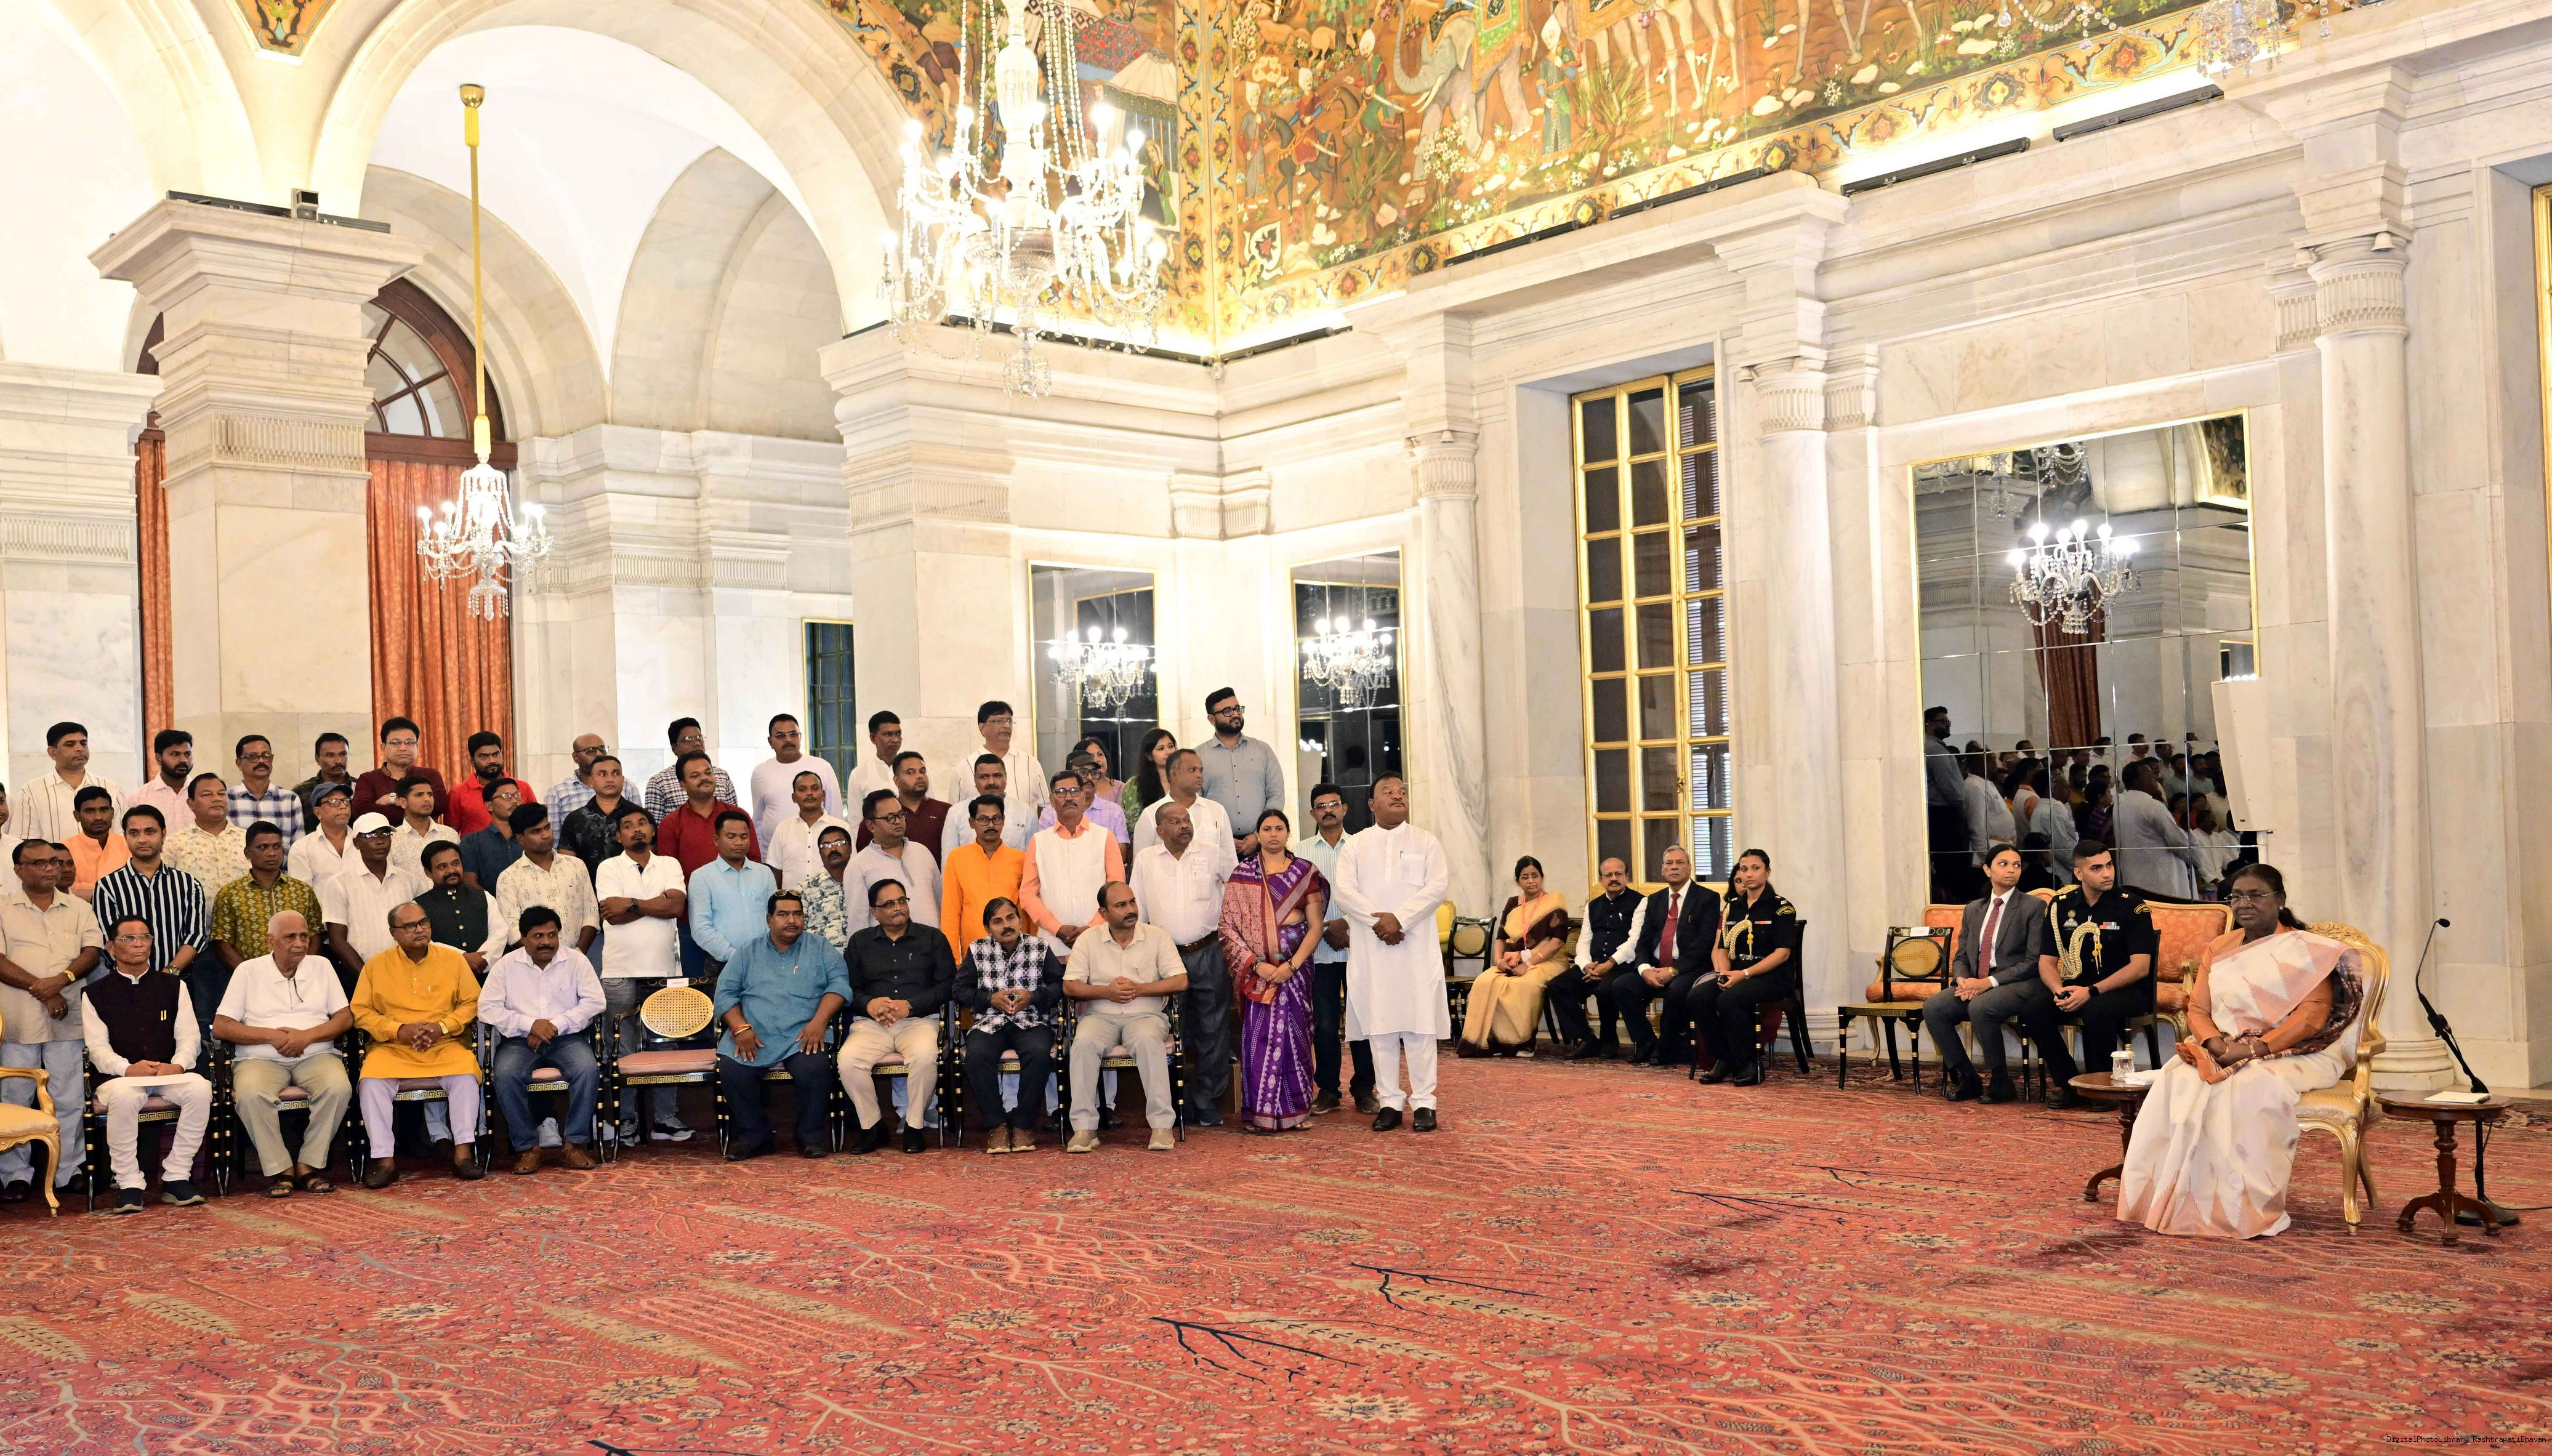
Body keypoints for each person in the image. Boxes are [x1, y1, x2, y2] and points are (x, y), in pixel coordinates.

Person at [2119, 864, 2365, 1238]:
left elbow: (2312, 1017)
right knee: (2178, 1079)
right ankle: (2180, 1199)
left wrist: (2257, 1048)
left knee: (2249, 1086)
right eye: (2236, 896)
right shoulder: (2219, 948)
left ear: (2280, 900)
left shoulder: (2308, 951)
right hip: (2224, 1046)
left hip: (2299, 1052)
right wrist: (2215, 1044)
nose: (2244, 904)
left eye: (2256, 895)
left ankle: (2244, 1208)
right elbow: (2198, 1009)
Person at [1332, 775, 1451, 1132]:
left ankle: (1425, 1103)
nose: (1398, 796)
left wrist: (1400, 919)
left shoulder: (1426, 841)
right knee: (1380, 1026)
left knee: (1420, 1026)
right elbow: (1344, 891)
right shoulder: (1356, 845)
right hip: (1374, 951)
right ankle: (1389, 1102)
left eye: (1402, 792)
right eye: (1388, 792)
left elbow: (1438, 887)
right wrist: (1379, 923)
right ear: (1371, 804)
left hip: (1416, 949)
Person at [212, 911, 353, 1197]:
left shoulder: (322, 966)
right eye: (290, 937)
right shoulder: (248, 971)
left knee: (338, 1088)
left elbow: (344, 1018)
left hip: (315, 1054)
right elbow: (222, 1026)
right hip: (259, 1058)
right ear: (270, 941)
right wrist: (273, 1036)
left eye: (304, 936)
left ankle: (308, 1164)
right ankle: (281, 1169)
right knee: (250, 1094)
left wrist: (307, 1036)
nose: (299, 944)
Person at [83, 915, 212, 1212]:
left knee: (200, 1089)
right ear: (111, 947)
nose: (139, 944)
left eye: (145, 937)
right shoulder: (94, 993)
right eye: (129, 938)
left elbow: (189, 1037)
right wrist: (128, 1069)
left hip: (169, 1073)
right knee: (126, 1096)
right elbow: (98, 1049)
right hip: (120, 1078)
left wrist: (178, 1066)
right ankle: (129, 1183)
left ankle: (177, 1176)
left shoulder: (173, 986)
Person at [350, 903, 484, 1187]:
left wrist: (441, 1027)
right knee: (371, 1081)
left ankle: (463, 1154)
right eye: (410, 926)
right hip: (393, 1047)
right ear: (394, 934)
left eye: (424, 923)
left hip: (444, 1043)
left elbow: (472, 1003)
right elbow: (361, 1011)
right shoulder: (376, 965)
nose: (419, 930)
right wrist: (399, 1030)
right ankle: (384, 1160)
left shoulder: (453, 960)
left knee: (465, 1074)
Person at [712, 890, 850, 1161]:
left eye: (797, 914)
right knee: (733, 1069)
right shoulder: (748, 951)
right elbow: (725, 994)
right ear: (769, 919)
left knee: (814, 1068)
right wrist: (740, 1028)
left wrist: (819, 1022)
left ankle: (809, 1137)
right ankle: (756, 1137)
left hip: (804, 1034)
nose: (792, 920)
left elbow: (840, 986)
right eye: (783, 914)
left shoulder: (820, 947)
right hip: (755, 1033)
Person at [0, 842, 102, 1204]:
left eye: (55, 862)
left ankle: (68, 1170)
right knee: (15, 1096)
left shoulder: (79, 908)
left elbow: (92, 953)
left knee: (69, 1096)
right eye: (39, 863)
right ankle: (15, 1175)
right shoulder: (3, 907)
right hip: (18, 1021)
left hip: (67, 1017)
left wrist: (60, 981)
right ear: (19, 870)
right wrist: (43, 991)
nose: (50, 869)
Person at [2021, 841, 2157, 1108]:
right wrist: (2059, 991)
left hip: (2127, 990)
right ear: (2079, 873)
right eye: (2097, 868)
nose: (2107, 873)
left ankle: (2101, 1088)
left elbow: (2141, 967)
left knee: (2096, 1009)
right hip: (2078, 986)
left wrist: (2092, 991)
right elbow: (2046, 963)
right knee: (2034, 1011)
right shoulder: (2061, 906)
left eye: (2109, 865)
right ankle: (2071, 1084)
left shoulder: (2131, 906)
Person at [1918, 845, 2053, 1102]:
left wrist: (1987, 983)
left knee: (1981, 1007)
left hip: (2019, 982)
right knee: (1934, 1008)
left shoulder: (2033, 907)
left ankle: (2001, 1082)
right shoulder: (1974, 909)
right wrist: (1962, 980)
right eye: (2004, 864)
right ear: (1987, 870)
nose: (2012, 870)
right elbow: (1961, 956)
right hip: (1976, 981)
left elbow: (2033, 961)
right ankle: (1968, 1078)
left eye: (2016, 865)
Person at [1220, 808, 1326, 1131]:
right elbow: (1228, 928)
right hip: (1259, 975)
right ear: (1258, 835)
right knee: (1260, 1039)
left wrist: (1291, 966)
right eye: (1267, 829)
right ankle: (1262, 1114)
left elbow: (1316, 927)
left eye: (1279, 828)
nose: (1273, 834)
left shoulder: (1304, 873)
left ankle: (1298, 1110)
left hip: (1296, 971)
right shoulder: (1243, 874)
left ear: (1288, 833)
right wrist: (1258, 965)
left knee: (1297, 1037)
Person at [1063, 881, 1188, 1153]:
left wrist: (1139, 989)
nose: (1130, 909)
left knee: (1147, 1041)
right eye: (1121, 905)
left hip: (1146, 1016)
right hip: (1101, 1016)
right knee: (1083, 1043)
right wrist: (1106, 992)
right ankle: (1084, 1128)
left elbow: (1180, 981)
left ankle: (1162, 1126)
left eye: (1132, 902)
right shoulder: (1088, 940)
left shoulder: (1157, 936)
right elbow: (1070, 986)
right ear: (1104, 913)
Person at [593, 805, 692, 1144]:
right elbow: (612, 914)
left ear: (652, 831)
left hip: (664, 971)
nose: (636, 829)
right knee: (621, 1048)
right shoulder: (608, 867)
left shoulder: (669, 864)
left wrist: (632, 903)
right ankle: (627, 1119)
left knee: (666, 1044)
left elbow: (675, 907)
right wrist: (654, 903)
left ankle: (664, 1119)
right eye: (628, 825)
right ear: (618, 835)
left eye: (642, 823)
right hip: (619, 971)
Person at [480, 906, 606, 1173]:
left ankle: (574, 1144)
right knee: (505, 1074)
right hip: (520, 1041)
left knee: (587, 1070)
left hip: (567, 1038)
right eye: (538, 936)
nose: (546, 942)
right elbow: (487, 1009)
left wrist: (554, 1026)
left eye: (552, 935)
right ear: (524, 938)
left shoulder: (576, 961)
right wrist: (531, 1025)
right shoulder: (506, 966)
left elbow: (596, 1002)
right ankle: (527, 1148)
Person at [1130, 801, 1234, 1127]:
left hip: (1209, 950)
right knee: (1169, 1030)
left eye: (1187, 820)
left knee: (1213, 1028)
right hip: (1164, 956)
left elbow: (1238, 890)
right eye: (1175, 822)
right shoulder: (1146, 860)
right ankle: (1172, 1102)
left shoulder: (1213, 853)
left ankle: (1206, 1101)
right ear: (1160, 830)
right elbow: (1138, 911)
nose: (1184, 825)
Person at [839, 878, 956, 1153]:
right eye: (889, 904)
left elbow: (948, 986)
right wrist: (869, 1004)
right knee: (848, 1061)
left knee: (925, 1057)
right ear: (874, 911)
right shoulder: (860, 942)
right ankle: (873, 1126)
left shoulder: (932, 938)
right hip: (872, 1025)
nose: (898, 908)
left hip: (918, 1022)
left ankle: (914, 1126)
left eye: (902, 901)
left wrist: (910, 1006)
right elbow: (848, 989)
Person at [1292, 784, 1375, 1114]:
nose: (1328, 810)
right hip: (1318, 952)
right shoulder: (1299, 853)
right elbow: (1293, 902)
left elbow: (1373, 895)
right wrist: (1326, 927)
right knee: (1324, 1025)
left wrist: (1348, 926)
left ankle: (1365, 1089)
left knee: (1363, 1022)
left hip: (1360, 949)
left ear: (1344, 809)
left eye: (1334, 804)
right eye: (1321, 806)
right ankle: (1327, 1090)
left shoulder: (1362, 847)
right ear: (1313, 813)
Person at [957, 897, 1063, 1154]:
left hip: (1031, 1021)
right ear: (988, 928)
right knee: (976, 1055)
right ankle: (997, 1125)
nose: (1006, 925)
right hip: (990, 1022)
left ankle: (1023, 1123)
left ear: (1020, 919)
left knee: (1039, 1053)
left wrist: (1034, 997)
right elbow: (959, 990)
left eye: (1011, 918)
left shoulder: (1040, 947)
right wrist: (989, 999)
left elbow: (1060, 985)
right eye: (998, 921)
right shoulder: (977, 950)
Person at [1688, 850, 1803, 1087]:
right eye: (1744, 869)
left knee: (1729, 1000)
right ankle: (1724, 1059)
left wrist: (1744, 974)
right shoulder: (1733, 907)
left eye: (1755, 868)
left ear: (1767, 872)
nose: (1749, 874)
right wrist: (1724, 974)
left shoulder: (1781, 907)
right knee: (1697, 997)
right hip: (1737, 974)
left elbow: (1782, 954)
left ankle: (1751, 1064)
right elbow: (1723, 948)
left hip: (1771, 978)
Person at [1601, 844, 1718, 1067]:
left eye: (1679, 863)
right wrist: (1644, 969)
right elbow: (1643, 941)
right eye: (1669, 863)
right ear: (1663, 870)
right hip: (1655, 966)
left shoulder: (1707, 898)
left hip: (1689, 968)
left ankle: (1666, 1047)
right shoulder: (1654, 900)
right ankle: (1646, 1042)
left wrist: (1673, 970)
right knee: (1621, 986)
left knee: (1677, 991)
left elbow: (1703, 945)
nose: (1674, 867)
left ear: (1689, 868)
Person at [656, 752, 762, 977]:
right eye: (695, 775)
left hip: (738, 919)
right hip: (691, 921)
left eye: (708, 772)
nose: (704, 778)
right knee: (698, 989)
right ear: (683, 785)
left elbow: (754, 864)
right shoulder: (671, 824)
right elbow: (668, 877)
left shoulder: (737, 817)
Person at [207, 823, 324, 1024]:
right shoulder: (231, 894)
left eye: (277, 847)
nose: (272, 853)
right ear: (248, 853)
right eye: (263, 847)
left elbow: (315, 933)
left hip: (301, 980)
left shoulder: (301, 891)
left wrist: (303, 968)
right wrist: (252, 976)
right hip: (253, 984)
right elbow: (222, 942)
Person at [1459, 856, 1569, 1057]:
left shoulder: (1554, 903)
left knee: (1523, 985)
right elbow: (1501, 938)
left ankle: (1523, 1043)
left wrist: (1528, 963)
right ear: (1517, 882)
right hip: (1512, 960)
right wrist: (1499, 961)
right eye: (1525, 877)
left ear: (1542, 878)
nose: (1531, 881)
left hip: (1548, 960)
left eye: (1535, 876)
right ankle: (1492, 1042)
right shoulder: (1513, 903)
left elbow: (1557, 941)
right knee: (1484, 982)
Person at [89, 806, 210, 982]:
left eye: (150, 832)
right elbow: (109, 939)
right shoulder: (108, 886)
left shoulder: (188, 884)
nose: (142, 839)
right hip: (126, 984)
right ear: (125, 837)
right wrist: (140, 978)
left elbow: (196, 936)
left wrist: (168, 974)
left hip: (178, 982)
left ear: (164, 834)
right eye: (134, 833)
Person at [1018, 770, 1122, 962]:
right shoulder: (1039, 842)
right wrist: (1056, 928)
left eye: (1075, 791)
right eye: (1061, 792)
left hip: (1101, 941)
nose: (1068, 797)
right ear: (1051, 800)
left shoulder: (1105, 837)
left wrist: (1092, 928)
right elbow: (1027, 895)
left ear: (1084, 796)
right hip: (1053, 945)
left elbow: (1117, 890)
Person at [318, 814, 429, 993]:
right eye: (371, 836)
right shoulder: (339, 883)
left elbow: (422, 928)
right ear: (357, 844)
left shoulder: (409, 881)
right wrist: (368, 977)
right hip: (358, 975)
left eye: (385, 834)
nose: (380, 841)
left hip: (409, 973)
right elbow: (337, 940)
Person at [1553, 856, 1644, 1060]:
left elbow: (1635, 941)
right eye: (1608, 875)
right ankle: (1587, 1038)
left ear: (1627, 876)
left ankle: (1610, 1039)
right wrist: (1586, 965)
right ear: (1601, 879)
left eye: (1618, 874)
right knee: (1558, 986)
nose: (1614, 878)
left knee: (1606, 989)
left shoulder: (1640, 902)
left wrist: (1610, 963)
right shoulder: (1593, 906)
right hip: (1593, 965)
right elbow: (1584, 941)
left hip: (1622, 965)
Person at [496, 803, 600, 954]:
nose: (546, 835)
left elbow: (591, 913)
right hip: (533, 962)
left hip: (579, 957)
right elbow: (512, 932)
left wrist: (578, 954)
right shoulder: (509, 878)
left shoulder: (576, 865)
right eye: (536, 831)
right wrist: (543, 957)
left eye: (547, 827)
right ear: (520, 838)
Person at [1198, 688, 1287, 856]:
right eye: (1227, 711)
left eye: (1237, 709)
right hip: (1215, 848)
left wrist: (1258, 835)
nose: (1235, 714)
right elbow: (1196, 803)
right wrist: (1221, 838)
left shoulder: (1262, 750)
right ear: (1211, 719)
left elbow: (1276, 795)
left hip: (1261, 845)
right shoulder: (1198, 756)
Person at [689, 810, 778, 976]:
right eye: (731, 837)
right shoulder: (701, 877)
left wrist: (770, 952)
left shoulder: (764, 873)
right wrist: (735, 957)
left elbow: (775, 917)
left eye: (744, 837)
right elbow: (701, 928)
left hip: (767, 961)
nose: (739, 842)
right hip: (723, 964)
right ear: (716, 840)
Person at [941, 795, 1026, 961]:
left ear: (1003, 821)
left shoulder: (1020, 859)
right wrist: (953, 959)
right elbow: (951, 912)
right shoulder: (957, 858)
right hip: (974, 953)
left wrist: (1030, 949)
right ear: (972, 823)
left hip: (1016, 952)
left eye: (996, 819)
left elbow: (1027, 911)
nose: (991, 825)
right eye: (984, 820)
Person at [1132, 749, 1238, 878]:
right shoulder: (1151, 814)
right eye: (1192, 770)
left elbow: (1231, 861)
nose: (1199, 775)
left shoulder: (1217, 810)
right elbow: (1141, 865)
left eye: (1201, 771)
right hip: (1167, 887)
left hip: (1210, 889)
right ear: (1174, 774)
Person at [848, 789, 940, 934]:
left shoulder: (922, 851)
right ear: (871, 825)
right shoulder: (859, 865)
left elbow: (941, 900)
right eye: (890, 818)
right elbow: (858, 922)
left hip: (932, 943)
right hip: (887, 946)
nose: (898, 821)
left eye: (901, 815)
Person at [18, 722, 126, 846]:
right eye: (70, 744)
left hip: (107, 858)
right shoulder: (32, 791)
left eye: (83, 743)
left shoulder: (112, 789)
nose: (80, 749)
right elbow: (27, 842)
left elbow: (123, 838)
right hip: (54, 859)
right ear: (52, 752)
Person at [749, 712, 842, 848]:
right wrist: (761, 856)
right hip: (775, 852)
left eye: (793, 734)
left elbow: (835, 812)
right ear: (770, 741)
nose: (788, 740)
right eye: (781, 736)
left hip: (819, 850)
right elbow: (758, 821)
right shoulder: (761, 773)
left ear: (800, 737)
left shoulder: (822, 767)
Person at [2113, 759, 2202, 899]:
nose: (2155, 778)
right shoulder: (2152, 805)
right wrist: (2197, 858)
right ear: (2137, 781)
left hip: (2134, 878)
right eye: (2149, 775)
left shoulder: (2120, 805)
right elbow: (2178, 841)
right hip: (2161, 878)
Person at [413, 841, 503, 975]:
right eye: (442, 867)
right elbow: (424, 941)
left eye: (456, 864)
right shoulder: (418, 906)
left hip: (486, 975)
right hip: (443, 976)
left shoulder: (484, 897)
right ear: (428, 873)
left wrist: (482, 959)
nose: (451, 870)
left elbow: (499, 932)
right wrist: (462, 957)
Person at [855, 752, 951, 866]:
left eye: (923, 771)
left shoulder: (946, 811)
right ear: (897, 781)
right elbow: (865, 857)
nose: (920, 776)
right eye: (911, 772)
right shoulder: (881, 817)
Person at [766, 769, 853, 890]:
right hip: (792, 900)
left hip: (832, 899)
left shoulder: (842, 828)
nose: (809, 793)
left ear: (823, 794)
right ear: (794, 798)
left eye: (815, 788)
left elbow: (852, 868)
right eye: (802, 790)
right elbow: (776, 870)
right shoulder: (783, 828)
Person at [164, 773, 250, 891]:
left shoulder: (247, 840)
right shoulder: (174, 844)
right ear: (191, 804)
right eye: (207, 795)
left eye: (221, 794)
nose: (217, 799)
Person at [643, 718, 738, 821]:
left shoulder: (722, 776)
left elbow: (735, 818)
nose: (697, 743)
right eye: (689, 740)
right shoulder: (659, 782)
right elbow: (654, 826)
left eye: (700, 738)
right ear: (674, 747)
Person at [353, 717, 446, 822]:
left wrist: (389, 801)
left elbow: (439, 806)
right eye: (395, 742)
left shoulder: (430, 775)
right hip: (383, 833)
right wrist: (416, 810)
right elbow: (361, 811)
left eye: (409, 743)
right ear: (383, 748)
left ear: (417, 747)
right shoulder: (368, 779)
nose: (403, 748)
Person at [941, 756, 1034, 856]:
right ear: (975, 781)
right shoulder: (956, 813)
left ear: (1006, 778)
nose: (991, 782)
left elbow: (1033, 857)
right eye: (984, 777)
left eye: (998, 776)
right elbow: (948, 858)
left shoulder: (1025, 812)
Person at [1035, 749, 1131, 846]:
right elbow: (1044, 850)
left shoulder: (1114, 811)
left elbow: (1120, 852)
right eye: (1083, 772)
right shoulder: (1050, 814)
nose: (1090, 778)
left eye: (1094, 772)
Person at [560, 754, 636, 875]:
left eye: (616, 774)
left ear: (623, 779)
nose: (610, 779)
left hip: (631, 885)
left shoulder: (638, 816)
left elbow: (648, 858)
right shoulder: (575, 819)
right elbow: (567, 865)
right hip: (588, 886)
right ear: (591, 781)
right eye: (603, 774)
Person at [1923, 708, 1968, 901]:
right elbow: (1947, 785)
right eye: (1944, 721)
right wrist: (1961, 806)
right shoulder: (1933, 749)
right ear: (1930, 724)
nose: (1948, 725)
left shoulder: (1935, 747)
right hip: (1942, 815)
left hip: (1941, 813)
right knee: (1951, 867)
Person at [975, 701, 1047, 820]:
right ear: (982, 728)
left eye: (1009, 721)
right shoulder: (965, 767)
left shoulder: (1031, 764)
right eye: (999, 721)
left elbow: (1044, 809)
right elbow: (958, 812)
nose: (1006, 726)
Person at [226, 736, 302, 847]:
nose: (261, 761)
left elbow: (299, 848)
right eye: (253, 757)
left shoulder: (289, 800)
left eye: (266, 756)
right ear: (239, 763)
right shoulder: (227, 800)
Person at [456, 780, 526, 891]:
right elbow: (469, 883)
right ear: (489, 806)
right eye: (507, 796)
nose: (514, 801)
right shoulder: (473, 841)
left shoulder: (528, 837)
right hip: (490, 901)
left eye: (517, 795)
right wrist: (494, 901)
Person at [288, 782, 359, 887]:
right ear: (318, 812)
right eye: (334, 802)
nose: (343, 806)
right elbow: (302, 893)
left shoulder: (363, 842)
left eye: (346, 801)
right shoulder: (302, 849)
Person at [799, 825, 857, 951]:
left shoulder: (863, 882)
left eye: (839, 843)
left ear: (851, 848)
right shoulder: (805, 890)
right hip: (821, 960)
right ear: (820, 853)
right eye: (826, 845)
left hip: (862, 959)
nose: (833, 849)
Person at [387, 777, 458, 879]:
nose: (427, 799)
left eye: (430, 794)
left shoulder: (449, 835)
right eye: (419, 795)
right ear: (403, 802)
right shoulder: (393, 839)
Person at [66, 785, 129, 899]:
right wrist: (116, 891)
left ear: (112, 813)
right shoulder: (65, 850)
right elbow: (68, 889)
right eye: (90, 811)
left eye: (104, 810)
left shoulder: (129, 845)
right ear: (77, 816)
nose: (98, 817)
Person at [291, 731, 356, 835]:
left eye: (343, 754)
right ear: (318, 759)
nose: (339, 761)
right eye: (330, 755)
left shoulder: (361, 787)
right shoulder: (302, 792)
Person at [543, 733, 608, 835]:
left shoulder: (626, 787)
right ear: (576, 757)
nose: (599, 754)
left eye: (602, 749)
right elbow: (554, 838)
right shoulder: (558, 793)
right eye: (591, 750)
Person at [131, 729, 195, 826]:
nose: (184, 760)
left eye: (187, 754)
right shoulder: (140, 798)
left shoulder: (202, 794)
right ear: (159, 758)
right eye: (175, 754)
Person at [842, 710, 904, 810]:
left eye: (898, 734)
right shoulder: (859, 775)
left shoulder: (915, 770)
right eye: (888, 734)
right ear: (873, 738)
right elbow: (856, 817)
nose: (896, 740)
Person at [1121, 728, 1177, 823]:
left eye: (1171, 746)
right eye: (1161, 749)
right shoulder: (1134, 785)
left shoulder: (1184, 781)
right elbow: (1132, 823)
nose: (1168, 752)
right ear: (1150, 756)